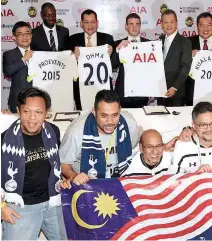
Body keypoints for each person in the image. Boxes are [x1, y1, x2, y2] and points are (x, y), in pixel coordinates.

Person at [1, 87, 66, 240]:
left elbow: (58, 165)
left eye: (38, 112)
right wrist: (1, 207)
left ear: (46, 113)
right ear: (18, 111)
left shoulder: (53, 132)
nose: (32, 118)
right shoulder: (4, 138)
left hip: (53, 202)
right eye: (26, 112)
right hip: (20, 206)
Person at [60, 89, 142, 182]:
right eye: (104, 116)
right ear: (94, 112)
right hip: (89, 183)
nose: (110, 122)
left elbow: (138, 141)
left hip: (120, 178)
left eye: (115, 115)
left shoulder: (129, 123)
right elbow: (63, 164)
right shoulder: (76, 132)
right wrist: (75, 177)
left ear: (120, 110)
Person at [69, 9, 115, 110]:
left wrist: (111, 55)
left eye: (93, 22)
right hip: (81, 87)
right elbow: (67, 67)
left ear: (97, 23)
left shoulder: (108, 39)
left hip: (103, 87)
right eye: (86, 22)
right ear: (81, 23)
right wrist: (73, 58)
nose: (90, 25)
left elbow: (115, 65)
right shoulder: (72, 40)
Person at [185, 12, 212, 106]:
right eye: (202, 25)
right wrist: (188, 55)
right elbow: (181, 65)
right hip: (193, 92)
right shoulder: (187, 42)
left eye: (209, 25)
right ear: (197, 26)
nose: (205, 29)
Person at [114, 13, 150, 108]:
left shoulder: (150, 44)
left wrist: (152, 89)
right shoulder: (117, 44)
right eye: (131, 24)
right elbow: (113, 66)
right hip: (123, 92)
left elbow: (153, 69)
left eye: (137, 24)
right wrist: (118, 49)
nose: (134, 27)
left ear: (140, 26)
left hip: (142, 92)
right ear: (126, 26)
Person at [158, 9, 192, 106]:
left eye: (172, 22)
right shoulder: (158, 41)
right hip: (160, 91)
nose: (169, 25)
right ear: (162, 24)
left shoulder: (185, 42)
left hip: (176, 92)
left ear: (177, 23)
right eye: (166, 22)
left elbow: (185, 67)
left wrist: (175, 87)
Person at [3, 22, 34, 113]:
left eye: (27, 34)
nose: (24, 37)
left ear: (31, 35)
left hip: (37, 100)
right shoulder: (9, 54)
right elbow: (8, 71)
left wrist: (71, 57)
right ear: (14, 37)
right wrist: (24, 59)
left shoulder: (38, 53)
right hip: (18, 101)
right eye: (20, 34)